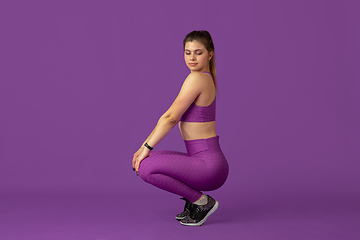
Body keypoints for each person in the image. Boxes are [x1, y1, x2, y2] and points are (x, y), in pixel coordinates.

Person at [132, 30, 229, 226]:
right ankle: (196, 203)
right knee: (146, 160)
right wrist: (144, 148)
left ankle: (202, 202)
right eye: (187, 52)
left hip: (209, 166)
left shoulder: (198, 78)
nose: (191, 57)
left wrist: (146, 148)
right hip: (202, 161)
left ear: (210, 54)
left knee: (145, 167)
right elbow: (167, 117)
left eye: (198, 52)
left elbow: (170, 118)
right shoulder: (202, 78)